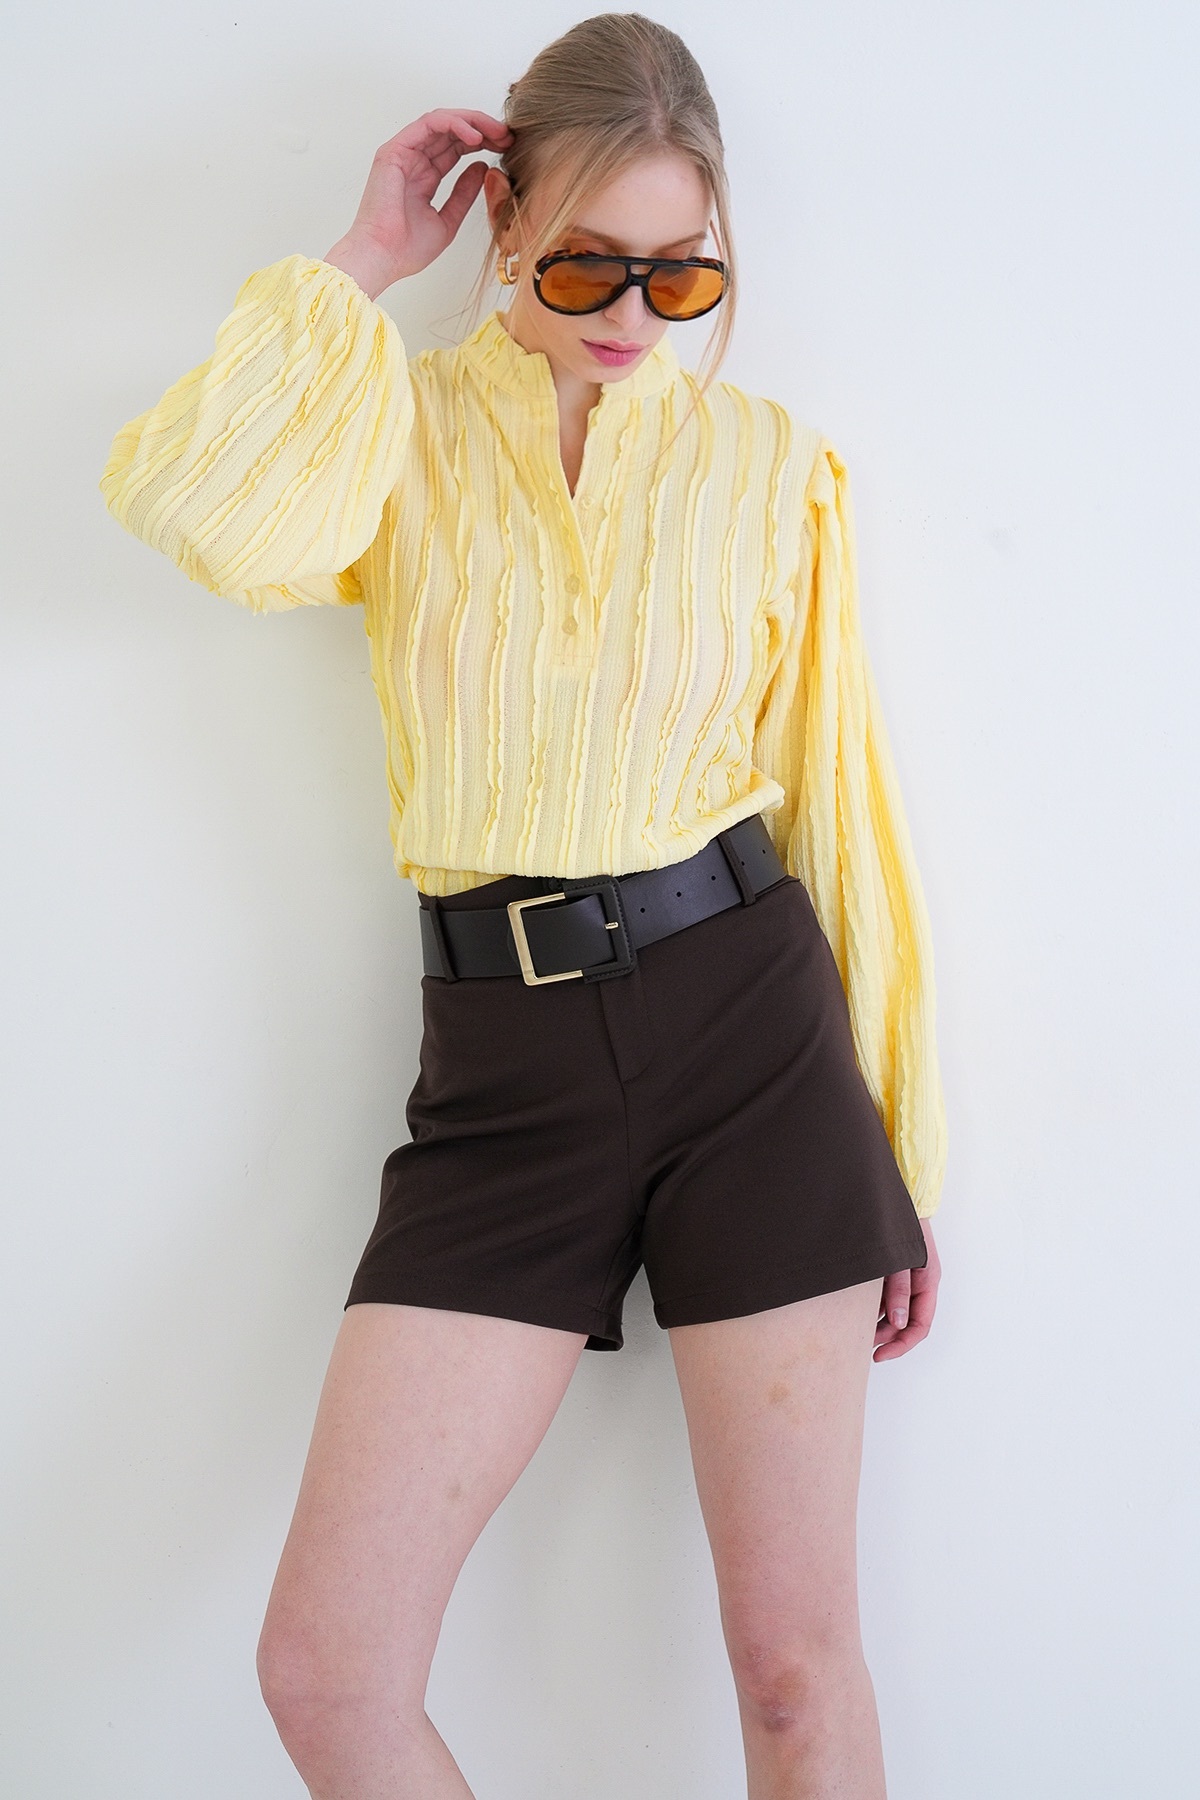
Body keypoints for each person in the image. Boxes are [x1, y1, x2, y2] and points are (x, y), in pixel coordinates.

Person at [99, 14, 948, 1798]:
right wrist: (358, 264)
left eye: (680, 273)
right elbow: (202, 517)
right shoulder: (394, 432)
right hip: (500, 1070)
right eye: (582, 261)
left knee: (795, 1676)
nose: (631, 310)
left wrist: (896, 1143)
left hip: (752, 1040)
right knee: (329, 1674)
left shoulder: (770, 466)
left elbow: (838, 793)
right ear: (503, 230)